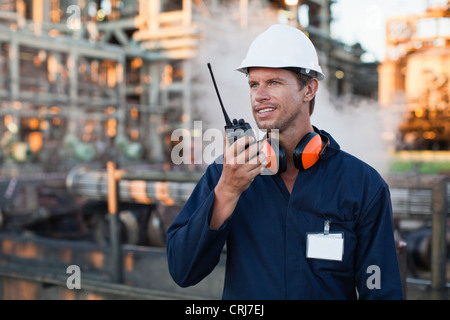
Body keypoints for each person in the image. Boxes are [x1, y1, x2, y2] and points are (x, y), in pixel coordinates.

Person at [166, 24, 403, 300]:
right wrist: (227, 193)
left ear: (309, 89)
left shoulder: (363, 185)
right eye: (254, 84)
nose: (259, 95)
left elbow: (382, 292)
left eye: (274, 83)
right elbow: (182, 271)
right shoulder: (225, 173)